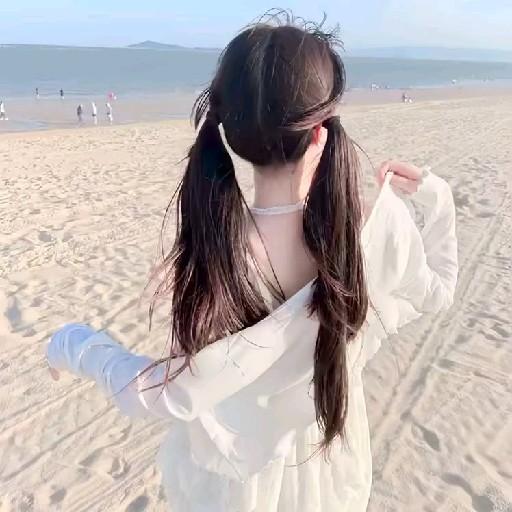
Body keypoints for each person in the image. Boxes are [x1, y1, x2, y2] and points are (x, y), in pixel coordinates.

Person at [47, 15, 458, 512]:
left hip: (232, 492)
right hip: (332, 476)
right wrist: (436, 198)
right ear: (321, 133)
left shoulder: (212, 257)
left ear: (232, 136)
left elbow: (161, 393)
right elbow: (437, 291)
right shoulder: (370, 235)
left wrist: (74, 344)